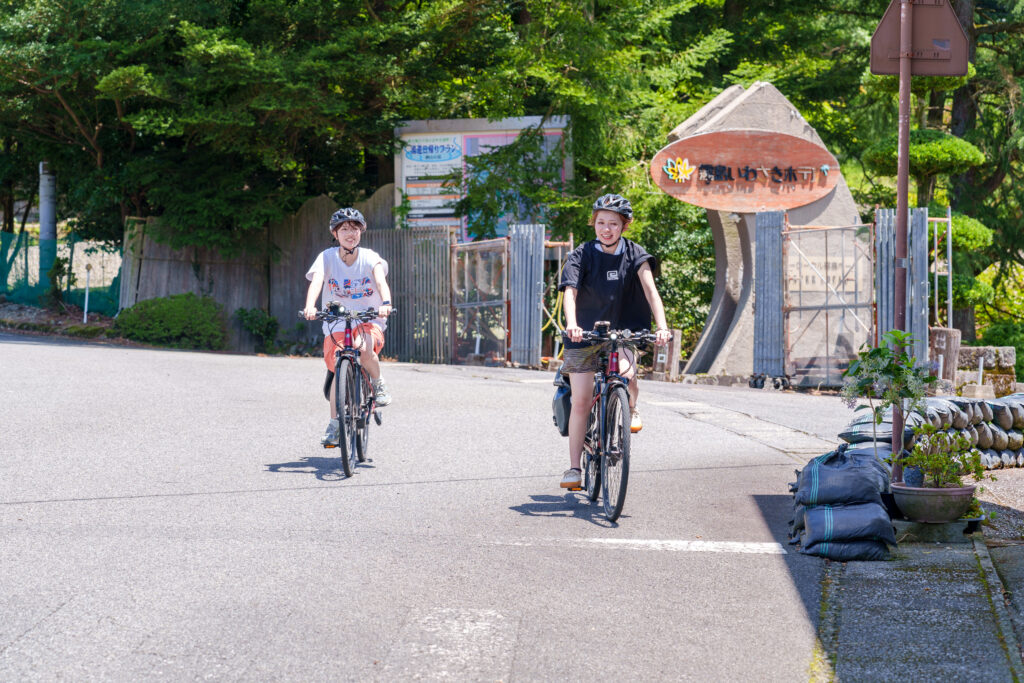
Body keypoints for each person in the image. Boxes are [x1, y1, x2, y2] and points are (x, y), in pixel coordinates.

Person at [558, 193, 670, 489]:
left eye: (613, 224)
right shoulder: (581, 254)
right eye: (601, 222)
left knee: (629, 375)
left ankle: (630, 408)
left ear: (624, 226)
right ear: (594, 223)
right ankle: (573, 469)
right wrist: (572, 324)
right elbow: (570, 291)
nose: (606, 229)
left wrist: (662, 326)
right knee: (581, 401)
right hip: (584, 334)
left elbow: (650, 291)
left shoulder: (636, 254)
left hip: (624, 331)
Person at [304, 207, 393, 446]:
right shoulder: (326, 257)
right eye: (344, 229)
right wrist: (310, 305)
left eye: (355, 228)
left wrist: (385, 303)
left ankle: (378, 382)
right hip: (337, 321)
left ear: (361, 232)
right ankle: (334, 424)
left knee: (362, 348)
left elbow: (380, 281)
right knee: (337, 364)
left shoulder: (370, 257)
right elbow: (317, 281)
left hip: (368, 318)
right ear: (335, 233)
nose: (350, 233)